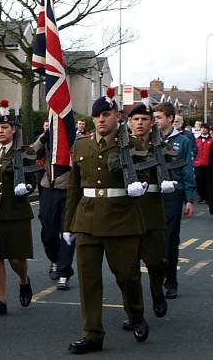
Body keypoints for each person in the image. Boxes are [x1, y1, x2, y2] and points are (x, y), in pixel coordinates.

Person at [63, 88, 149, 354]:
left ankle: (135, 314)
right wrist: (68, 225)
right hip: (87, 219)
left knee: (127, 276)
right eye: (96, 116)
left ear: (117, 117)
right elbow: (74, 188)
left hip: (121, 218)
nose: (100, 120)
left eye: (106, 115)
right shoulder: (81, 145)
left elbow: (151, 170)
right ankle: (92, 333)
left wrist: (141, 186)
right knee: (89, 280)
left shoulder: (132, 144)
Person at [0, 100, 34, 316]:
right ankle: (0, 300)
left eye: (4, 127)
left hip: (16, 210)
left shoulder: (24, 151)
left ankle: (24, 280)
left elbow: (34, 175)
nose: (0, 131)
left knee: (16, 258)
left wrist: (27, 186)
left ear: (14, 129)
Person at [125, 92, 172, 327]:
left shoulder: (160, 145)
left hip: (153, 209)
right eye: (136, 119)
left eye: (144, 119)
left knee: (155, 261)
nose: (140, 123)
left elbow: (174, 165)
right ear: (130, 123)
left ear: (151, 122)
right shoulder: (121, 145)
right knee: (129, 268)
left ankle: (156, 290)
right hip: (128, 211)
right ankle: (134, 312)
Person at [153, 102, 197, 299]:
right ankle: (156, 278)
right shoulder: (150, 138)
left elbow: (188, 168)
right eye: (154, 117)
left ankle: (171, 281)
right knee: (152, 238)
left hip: (174, 192)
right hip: (153, 192)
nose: (155, 121)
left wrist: (189, 197)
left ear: (170, 118)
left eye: (159, 117)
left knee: (170, 239)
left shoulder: (183, 140)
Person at [31, 128, 76, 290]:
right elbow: (30, 154)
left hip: (70, 189)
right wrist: (43, 138)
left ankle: (64, 272)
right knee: (48, 234)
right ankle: (56, 260)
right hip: (49, 187)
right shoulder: (48, 139)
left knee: (67, 232)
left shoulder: (74, 138)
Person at [194, 123, 213, 202]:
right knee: (199, 180)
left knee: (208, 181)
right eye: (202, 128)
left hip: (208, 164)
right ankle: (200, 195)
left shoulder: (212, 140)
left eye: (205, 128)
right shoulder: (196, 140)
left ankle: (207, 197)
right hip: (198, 164)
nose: (203, 130)